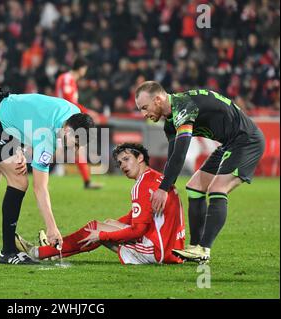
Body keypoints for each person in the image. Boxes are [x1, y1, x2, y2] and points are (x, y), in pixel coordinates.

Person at [0, 88, 95, 265]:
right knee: (19, 181)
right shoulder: (47, 138)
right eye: (75, 143)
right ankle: (8, 252)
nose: (75, 149)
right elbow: (40, 188)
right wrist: (52, 228)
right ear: (68, 131)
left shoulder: (74, 115)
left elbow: (31, 115)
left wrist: (20, 148)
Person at [134, 81, 265, 263]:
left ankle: (204, 249)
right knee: (194, 187)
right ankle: (195, 247)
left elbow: (181, 154)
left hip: (246, 141)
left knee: (217, 189)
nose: (144, 114)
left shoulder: (183, 106)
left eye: (145, 107)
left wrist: (163, 189)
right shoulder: (171, 122)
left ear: (157, 99)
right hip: (229, 143)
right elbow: (172, 157)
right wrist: (166, 186)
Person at [15, 143, 185, 265]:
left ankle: (39, 252)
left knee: (95, 229)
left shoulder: (141, 185)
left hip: (156, 252)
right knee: (107, 224)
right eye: (119, 163)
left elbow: (138, 230)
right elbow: (142, 216)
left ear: (140, 158)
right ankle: (53, 251)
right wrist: (111, 225)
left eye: (126, 159)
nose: (123, 166)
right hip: (174, 249)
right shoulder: (157, 178)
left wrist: (102, 235)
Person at [55, 57, 103, 189]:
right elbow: (70, 101)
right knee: (60, 149)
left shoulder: (69, 79)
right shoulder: (67, 78)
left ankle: (87, 182)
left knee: (77, 148)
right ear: (82, 68)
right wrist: (88, 112)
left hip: (65, 119)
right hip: (63, 119)